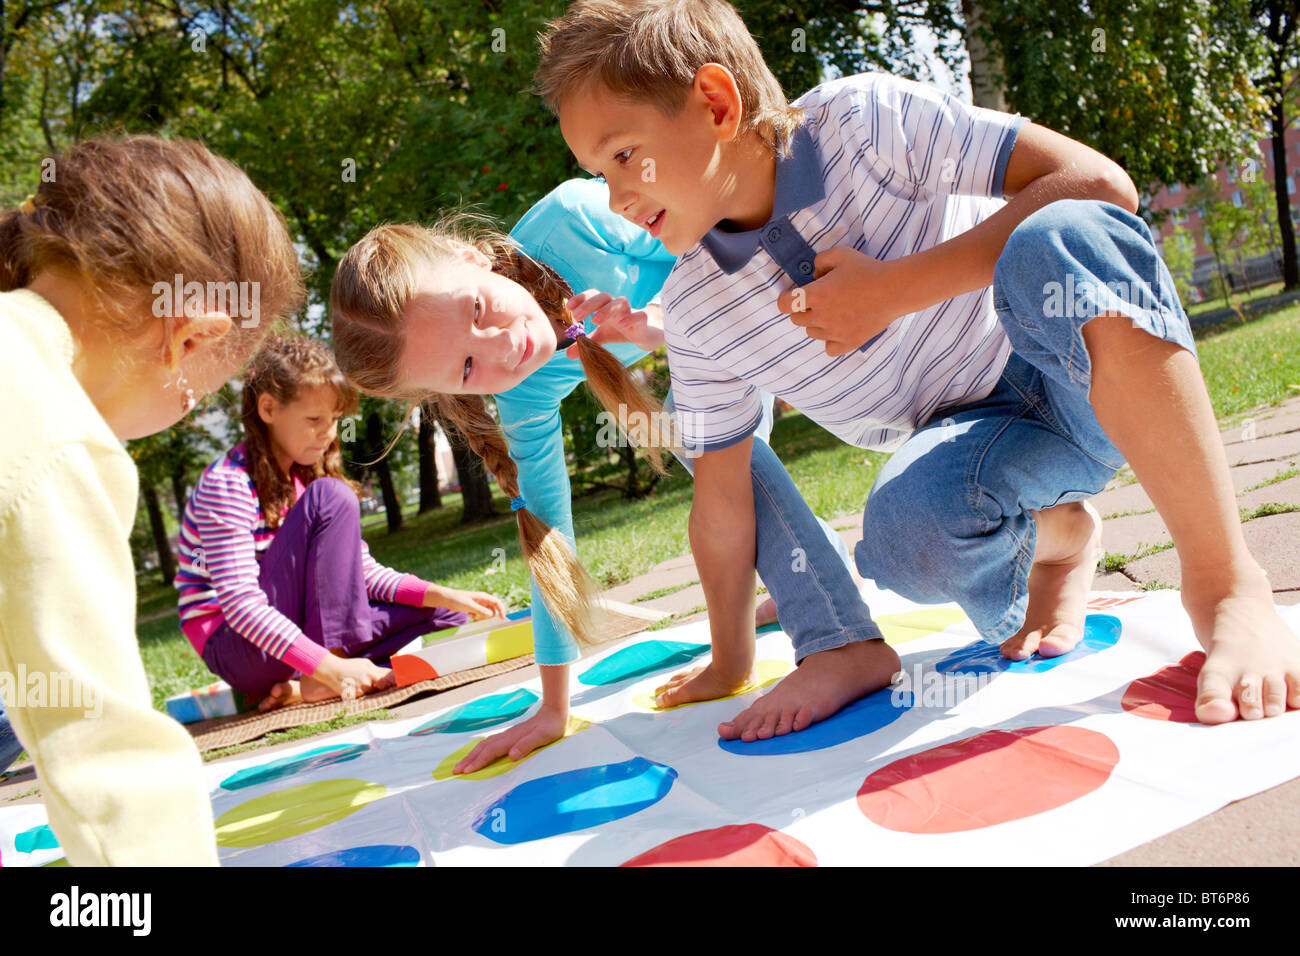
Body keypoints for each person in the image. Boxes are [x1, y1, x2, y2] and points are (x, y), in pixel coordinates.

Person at [534, 0, 1300, 737]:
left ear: (715, 103)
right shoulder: (698, 309)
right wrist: (729, 660)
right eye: (599, 173)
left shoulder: (862, 124)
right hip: (982, 450)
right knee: (903, 540)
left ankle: (1228, 583)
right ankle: (1058, 541)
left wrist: (892, 291)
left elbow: (1101, 185)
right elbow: (725, 501)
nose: (617, 198)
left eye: (625, 156)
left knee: (1064, 233)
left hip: (1080, 371)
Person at [330, 183, 880, 774]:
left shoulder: (576, 222)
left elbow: (741, 261)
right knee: (719, 465)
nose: (502, 347)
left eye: (478, 311)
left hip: (802, 296)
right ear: (449, 392)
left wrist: (658, 325)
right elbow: (550, 541)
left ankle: (819, 633)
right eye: (467, 367)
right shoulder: (522, 393)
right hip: (716, 360)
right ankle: (802, 564)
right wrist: (553, 708)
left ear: (472, 260)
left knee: (693, 430)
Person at [0, 134, 304, 864]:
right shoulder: (52, 428)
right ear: (192, 337)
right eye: (202, 396)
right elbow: (106, 751)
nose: (191, 412)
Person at [175, 333, 508, 709]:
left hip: (298, 632)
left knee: (448, 615)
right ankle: (328, 674)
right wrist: (329, 665)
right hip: (239, 645)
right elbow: (241, 605)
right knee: (334, 495)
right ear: (268, 409)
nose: (329, 432)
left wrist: (440, 593)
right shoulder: (228, 483)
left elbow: (360, 574)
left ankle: (306, 684)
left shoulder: (304, 480)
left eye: (334, 419)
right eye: (315, 419)